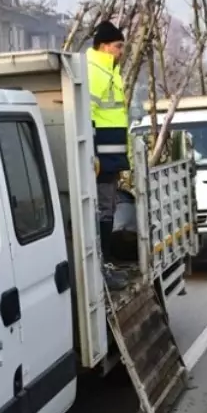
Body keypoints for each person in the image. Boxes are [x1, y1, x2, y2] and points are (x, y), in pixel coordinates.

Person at [86, 20, 129, 290]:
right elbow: (86, 115)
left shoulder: (109, 71)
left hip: (110, 158)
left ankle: (107, 261)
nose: (121, 51)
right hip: (101, 158)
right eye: (118, 46)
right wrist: (92, 155)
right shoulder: (96, 71)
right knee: (103, 209)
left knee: (108, 208)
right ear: (103, 46)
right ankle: (103, 264)